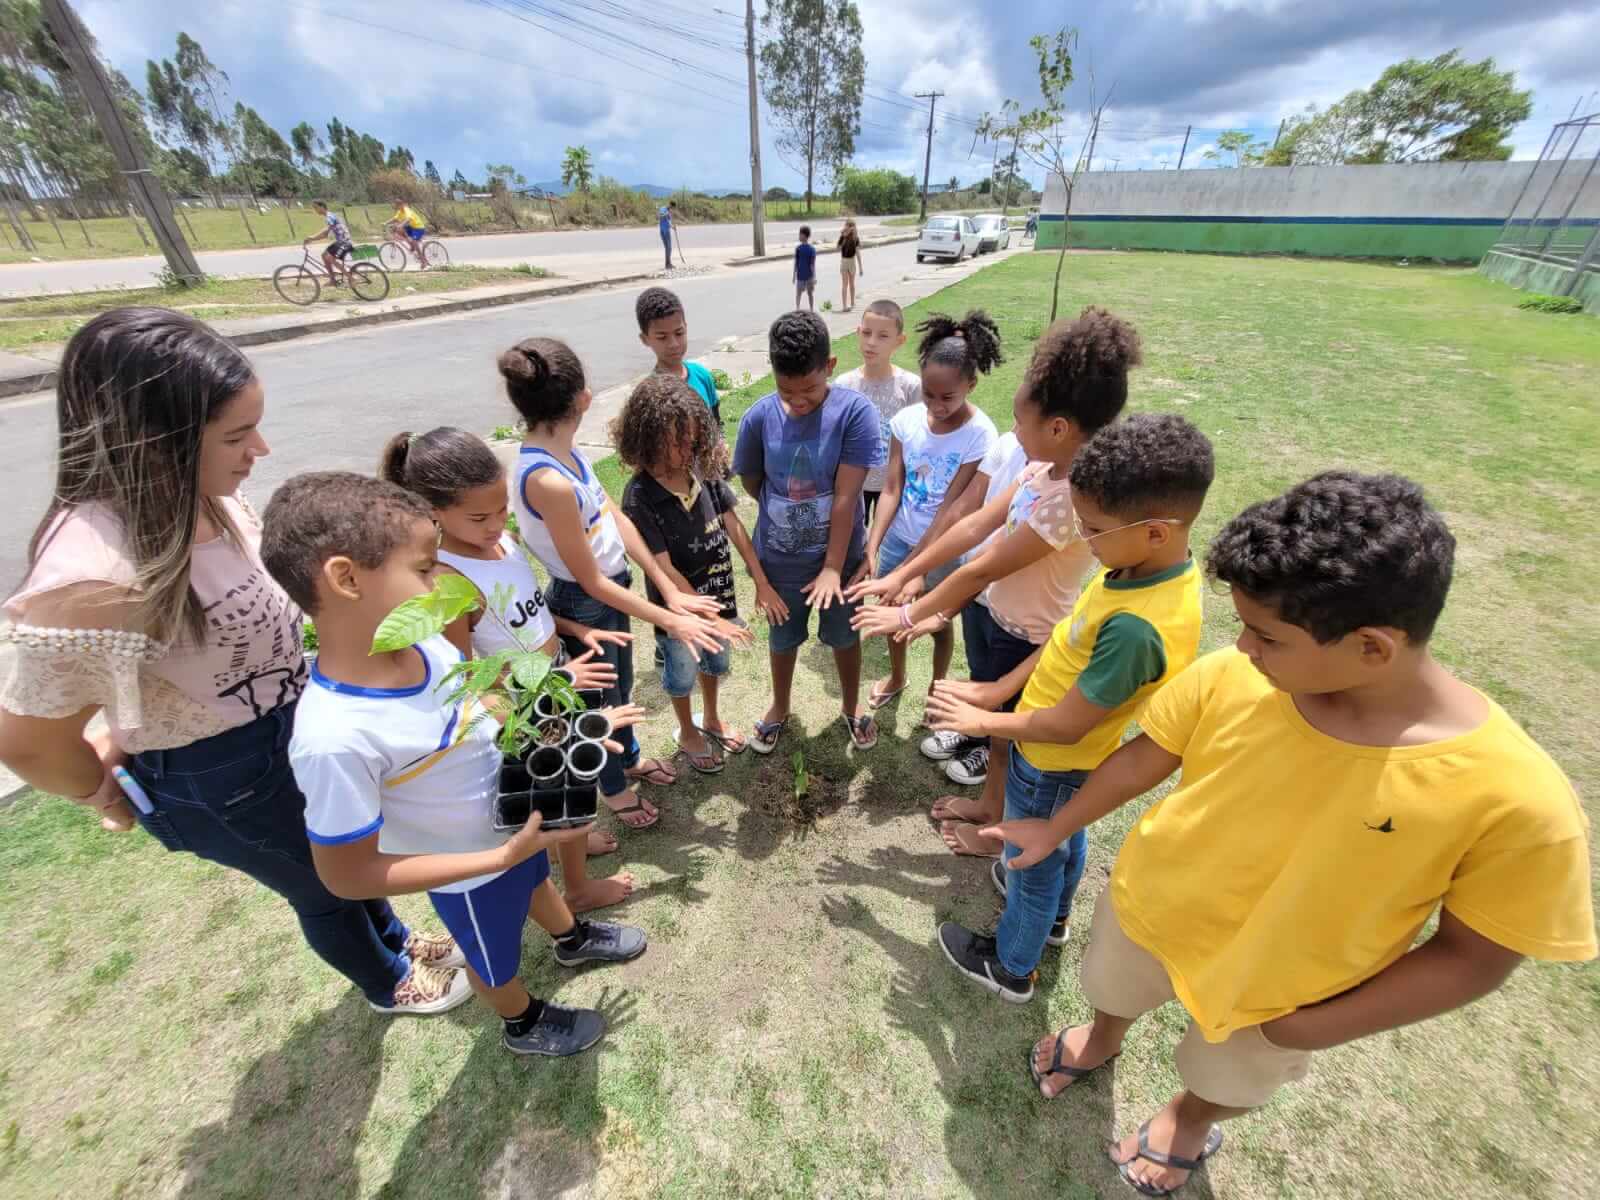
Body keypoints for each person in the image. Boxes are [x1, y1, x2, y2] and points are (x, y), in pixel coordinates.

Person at [985, 472, 1596, 1198]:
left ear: (1373, 648)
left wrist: (1314, 1028)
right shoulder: (1236, 676)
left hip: (1281, 997)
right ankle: (1105, 1034)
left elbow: (1473, 959)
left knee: (1224, 1075)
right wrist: (1057, 826)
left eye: (1267, 635)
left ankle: (1189, 1115)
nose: (1241, 647)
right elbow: (1151, 754)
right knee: (1112, 986)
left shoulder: (1519, 801)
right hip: (1152, 908)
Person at [0, 308, 470, 1018]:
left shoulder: (200, 494)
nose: (260, 448)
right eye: (235, 435)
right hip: (220, 772)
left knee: (346, 844)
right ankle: (386, 980)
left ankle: (397, 938)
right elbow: (29, 740)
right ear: (154, 443)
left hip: (287, 726)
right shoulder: (92, 575)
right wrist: (99, 787)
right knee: (322, 884)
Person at [261, 471, 650, 1060]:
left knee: (537, 882)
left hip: (509, 833)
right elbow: (347, 875)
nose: (439, 579)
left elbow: (484, 704)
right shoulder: (334, 738)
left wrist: (567, 726)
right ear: (345, 579)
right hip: (469, 873)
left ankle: (570, 937)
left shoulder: (426, 646)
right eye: (423, 569)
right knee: (491, 955)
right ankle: (523, 1020)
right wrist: (492, 859)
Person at [925, 412, 1215, 1004]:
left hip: (1055, 755)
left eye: (1095, 528)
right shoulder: (1135, 570)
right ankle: (1055, 921)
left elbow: (1068, 720)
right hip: (1065, 759)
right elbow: (1069, 640)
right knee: (1060, 840)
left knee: (1031, 859)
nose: (1083, 538)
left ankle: (1011, 966)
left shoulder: (1140, 628)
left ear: (1157, 530)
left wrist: (983, 721)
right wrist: (995, 688)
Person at [850, 308, 1140, 853]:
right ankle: (989, 804)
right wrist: (904, 576)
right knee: (995, 723)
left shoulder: (1070, 501)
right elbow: (975, 524)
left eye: (1019, 422)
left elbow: (986, 563)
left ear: (1058, 428)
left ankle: (993, 827)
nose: (1012, 432)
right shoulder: (1040, 470)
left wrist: (910, 612)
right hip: (994, 615)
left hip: (1027, 635)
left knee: (1009, 735)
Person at [378, 426, 639, 912]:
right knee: (557, 792)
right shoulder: (447, 581)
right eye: (480, 517)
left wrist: (574, 630)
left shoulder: (501, 544)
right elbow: (465, 677)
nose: (497, 523)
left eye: (503, 509)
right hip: (523, 705)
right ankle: (578, 888)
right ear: (434, 511)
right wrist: (556, 681)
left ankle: (570, 857)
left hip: (555, 679)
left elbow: (526, 608)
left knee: (572, 786)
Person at [501, 336, 727, 830]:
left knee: (622, 691)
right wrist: (671, 618)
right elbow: (590, 579)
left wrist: (667, 585)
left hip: (610, 593)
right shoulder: (547, 479)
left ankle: (628, 762)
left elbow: (614, 519)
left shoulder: (565, 451)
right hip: (586, 604)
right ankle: (617, 790)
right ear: (582, 397)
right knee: (601, 704)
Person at [615, 376, 785, 773]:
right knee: (681, 672)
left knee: (715, 665)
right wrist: (709, 620)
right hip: (681, 616)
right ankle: (687, 730)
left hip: (721, 598)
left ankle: (710, 717)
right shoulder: (639, 495)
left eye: (692, 441)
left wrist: (759, 581)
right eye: (677, 443)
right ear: (648, 438)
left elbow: (734, 526)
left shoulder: (702, 470)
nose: (687, 450)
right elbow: (663, 567)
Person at [733, 310, 882, 753]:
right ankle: (780, 706)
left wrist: (834, 567)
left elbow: (845, 496)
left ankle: (852, 707)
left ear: (830, 367)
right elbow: (752, 482)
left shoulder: (856, 413)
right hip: (781, 563)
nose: (797, 402)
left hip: (841, 559)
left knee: (843, 635)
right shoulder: (759, 417)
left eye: (810, 391)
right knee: (783, 638)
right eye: (787, 391)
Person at [861, 312, 1001, 718]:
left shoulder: (980, 434)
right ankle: (897, 678)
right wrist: (874, 547)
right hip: (898, 539)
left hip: (944, 548)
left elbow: (953, 509)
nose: (937, 407)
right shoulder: (906, 422)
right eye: (929, 394)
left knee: (938, 620)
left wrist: (918, 568)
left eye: (948, 398)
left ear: (970, 386)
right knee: (893, 615)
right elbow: (891, 488)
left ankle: (937, 688)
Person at [833, 299, 920, 527]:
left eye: (883, 336)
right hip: (854, 483)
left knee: (886, 543)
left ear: (899, 341)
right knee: (853, 542)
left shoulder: (911, 386)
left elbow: (916, 439)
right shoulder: (844, 385)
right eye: (867, 333)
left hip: (893, 484)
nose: (871, 343)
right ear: (858, 332)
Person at [635, 286, 723, 442]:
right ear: (645, 339)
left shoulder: (702, 375)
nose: (674, 344)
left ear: (686, 327)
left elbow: (716, 425)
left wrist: (721, 447)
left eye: (679, 333)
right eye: (662, 337)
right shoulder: (649, 395)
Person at [306, 200, 353, 285]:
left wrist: (312, 237)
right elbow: (325, 235)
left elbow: (325, 232)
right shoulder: (329, 216)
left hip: (344, 242)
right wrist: (312, 239)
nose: (315, 210)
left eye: (316, 207)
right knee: (324, 255)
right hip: (341, 241)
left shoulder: (329, 216)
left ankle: (351, 278)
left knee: (331, 258)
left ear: (322, 207)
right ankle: (333, 280)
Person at [389, 198, 429, 268]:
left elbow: (408, 219)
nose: (396, 207)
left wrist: (401, 225)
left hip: (418, 227)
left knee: (414, 241)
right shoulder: (400, 211)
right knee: (399, 231)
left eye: (398, 205)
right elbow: (395, 219)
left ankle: (423, 261)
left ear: (401, 204)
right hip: (411, 227)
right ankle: (412, 246)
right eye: (396, 206)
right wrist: (386, 223)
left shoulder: (406, 210)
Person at [837, 218, 863, 311]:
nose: (849, 228)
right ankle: (848, 304)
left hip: (848, 261)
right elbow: (838, 248)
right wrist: (844, 236)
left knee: (849, 284)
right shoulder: (847, 237)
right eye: (848, 226)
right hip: (847, 261)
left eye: (850, 226)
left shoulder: (854, 238)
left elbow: (857, 252)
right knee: (848, 283)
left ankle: (849, 304)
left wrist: (860, 267)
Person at [793, 226, 817, 311]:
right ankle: (797, 308)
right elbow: (796, 262)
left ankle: (811, 309)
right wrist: (794, 276)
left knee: (810, 294)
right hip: (800, 276)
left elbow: (812, 265)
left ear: (804, 235)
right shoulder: (798, 249)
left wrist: (814, 277)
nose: (799, 236)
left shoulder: (811, 249)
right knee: (798, 293)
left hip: (809, 277)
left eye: (800, 234)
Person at [658, 201, 677, 269]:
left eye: (673, 208)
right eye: (672, 207)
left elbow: (668, 221)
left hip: (667, 230)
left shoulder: (669, 212)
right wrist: (667, 213)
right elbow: (660, 216)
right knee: (668, 248)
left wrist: (673, 227)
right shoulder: (663, 209)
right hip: (663, 231)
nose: (672, 209)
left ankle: (668, 264)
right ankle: (668, 264)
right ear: (670, 205)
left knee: (668, 248)